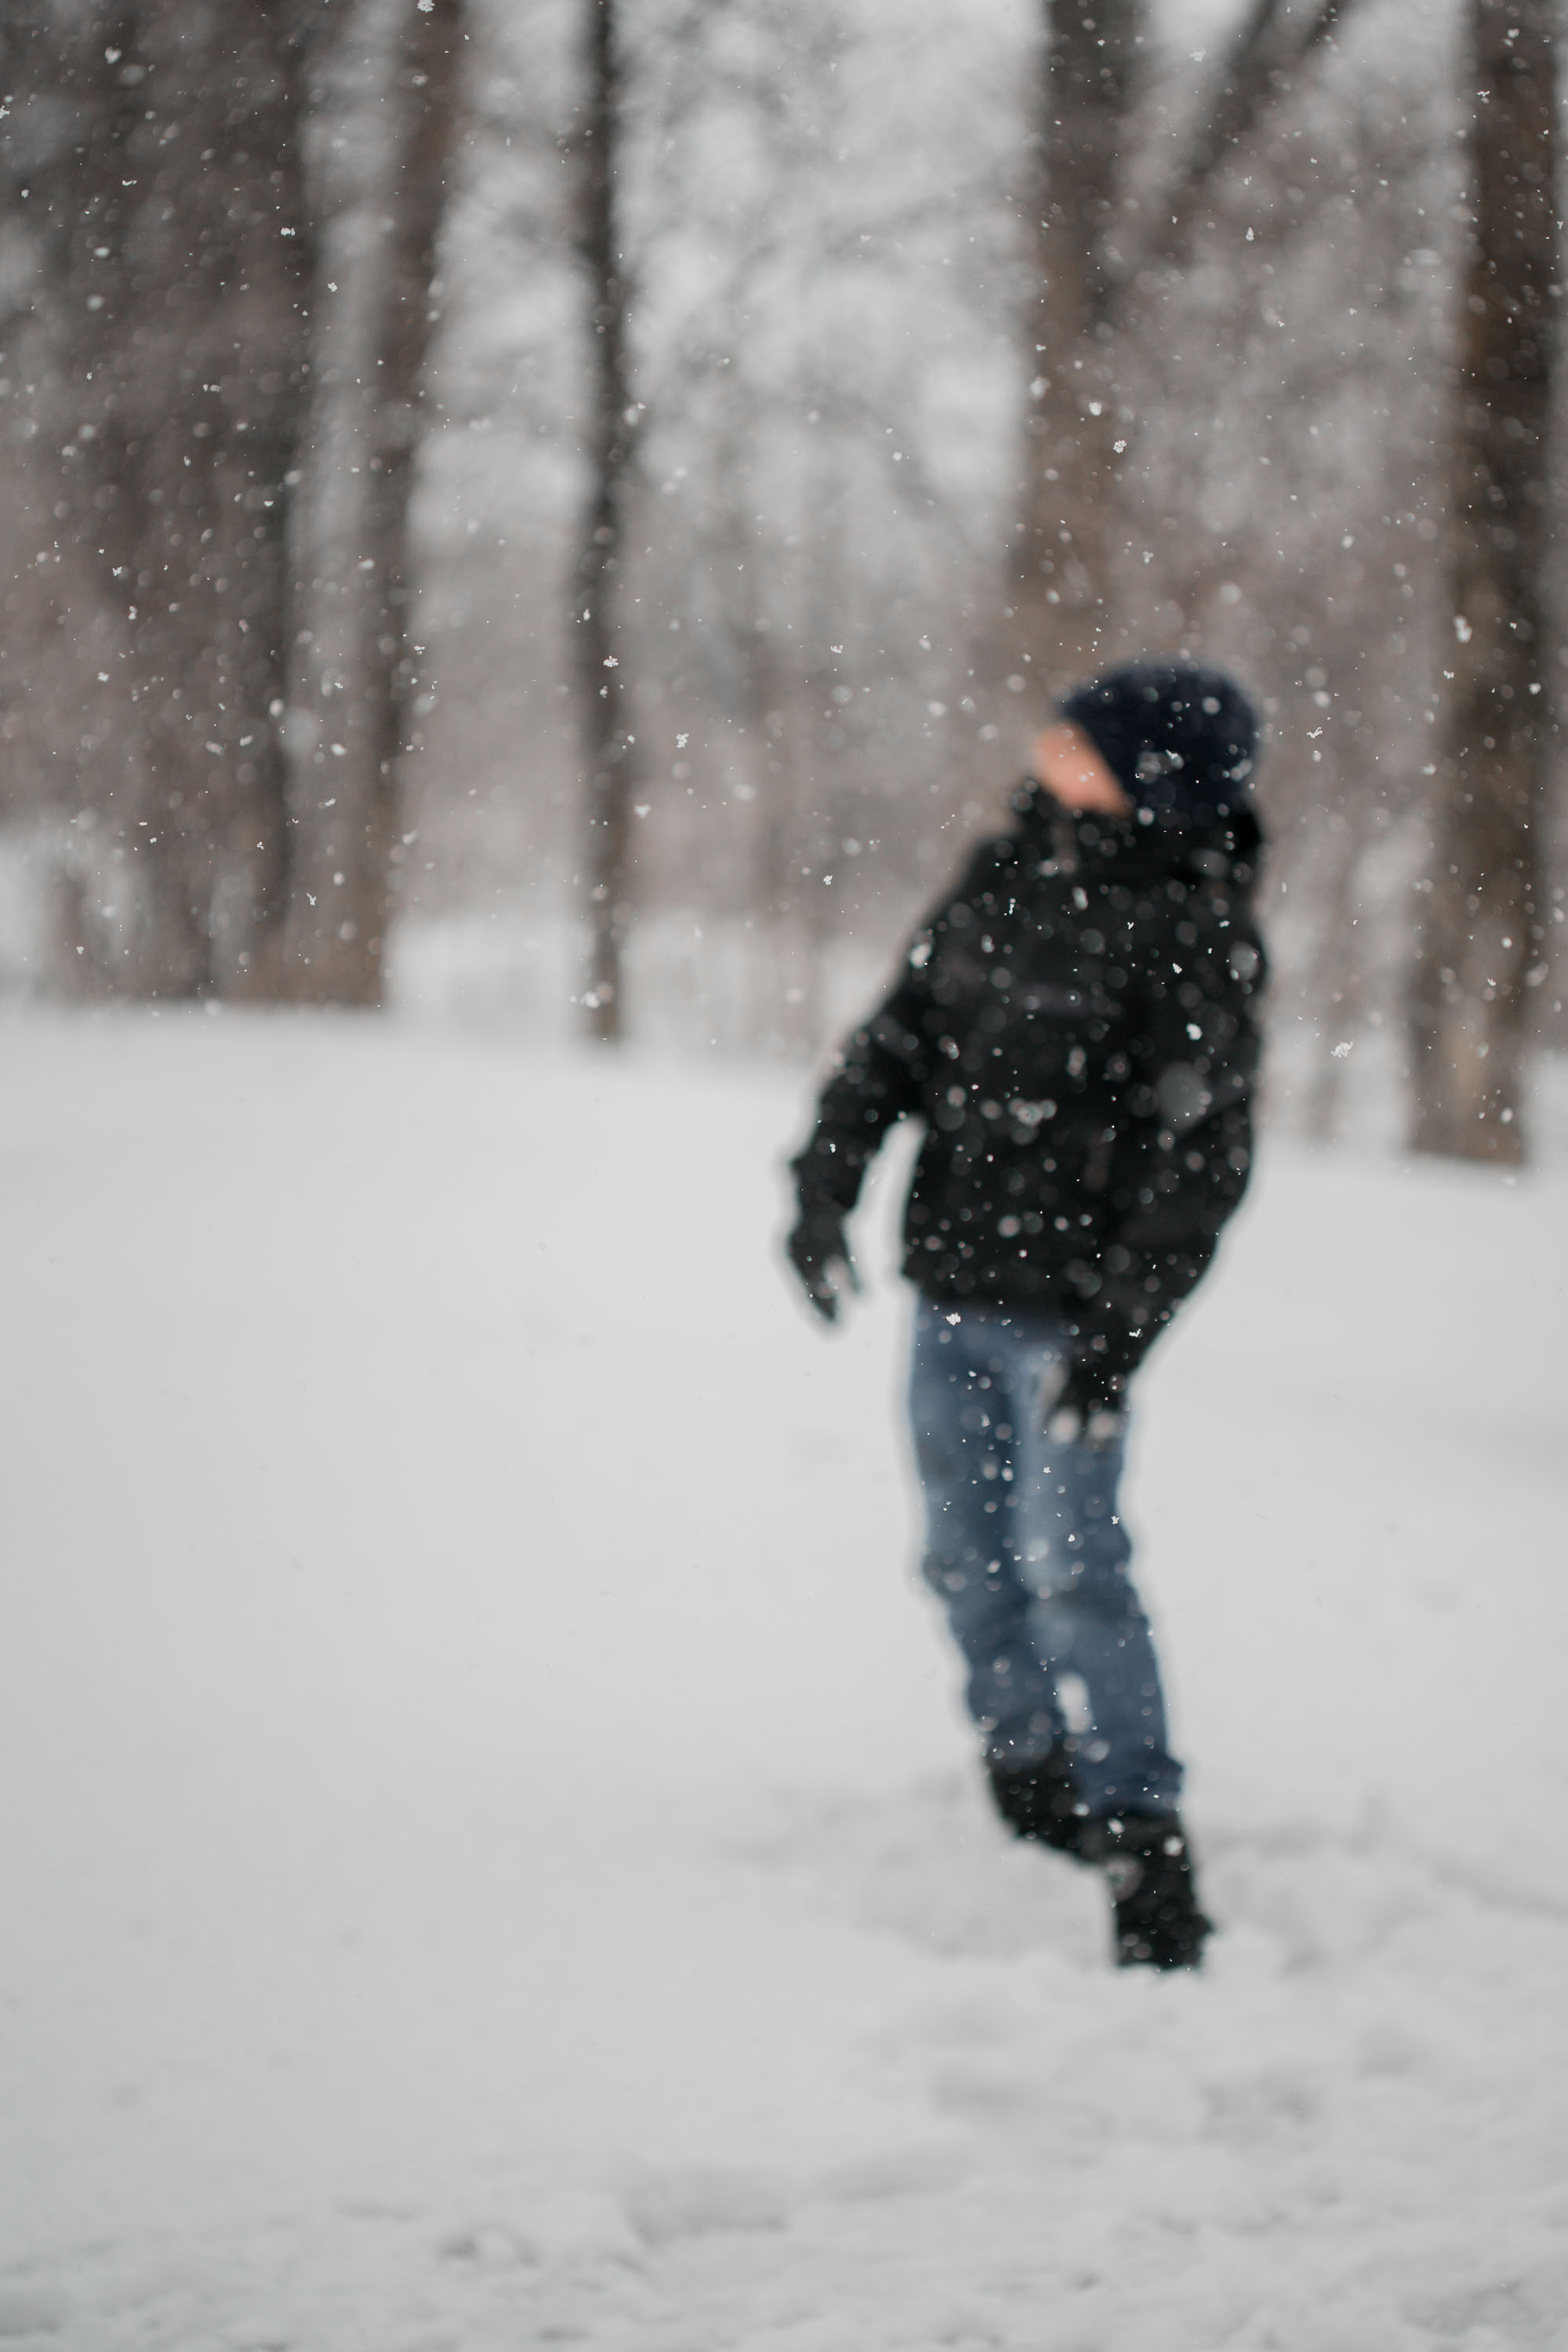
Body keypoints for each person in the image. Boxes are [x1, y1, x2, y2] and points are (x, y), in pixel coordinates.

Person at [784, 662, 1266, 1971]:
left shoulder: (1194, 923)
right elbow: (899, 1040)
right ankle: (1025, 1761)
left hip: (1069, 1323)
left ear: (1147, 773)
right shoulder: (1007, 873)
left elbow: (1200, 1167)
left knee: (1077, 1570)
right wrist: (824, 1183)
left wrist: (1116, 1341)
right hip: (951, 1290)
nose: (1049, 745)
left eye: (1084, 739)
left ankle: (1142, 1829)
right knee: (961, 1556)